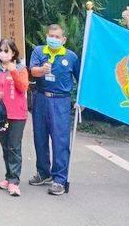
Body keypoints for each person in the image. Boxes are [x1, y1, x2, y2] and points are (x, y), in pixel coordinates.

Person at [28, 23, 80, 196]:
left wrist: (81, 100)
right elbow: (32, 71)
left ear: (63, 39)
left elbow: (81, 79)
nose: (53, 39)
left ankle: (59, 179)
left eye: (57, 37)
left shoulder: (71, 57)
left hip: (61, 101)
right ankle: (44, 172)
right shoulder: (39, 51)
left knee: (60, 140)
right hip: (41, 98)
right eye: (51, 36)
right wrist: (42, 70)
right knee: (40, 137)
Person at [0, 38, 28, 197]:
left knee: (14, 146)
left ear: (14, 53)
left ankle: (14, 182)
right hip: (0, 114)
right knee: (5, 146)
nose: (2, 54)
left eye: (6, 51)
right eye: (0, 50)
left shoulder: (21, 68)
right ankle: (8, 177)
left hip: (17, 114)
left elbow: (23, 87)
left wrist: (13, 70)